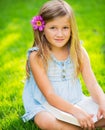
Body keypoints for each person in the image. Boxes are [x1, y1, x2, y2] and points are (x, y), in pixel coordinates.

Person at [22, 0, 105, 129]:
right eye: (53, 28)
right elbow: (49, 95)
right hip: (45, 105)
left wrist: (102, 103)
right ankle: (81, 126)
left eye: (65, 28)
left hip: (76, 101)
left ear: (72, 29)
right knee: (45, 120)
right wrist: (76, 112)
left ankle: (79, 125)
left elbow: (92, 84)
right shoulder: (37, 56)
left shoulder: (78, 52)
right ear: (43, 29)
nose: (60, 34)